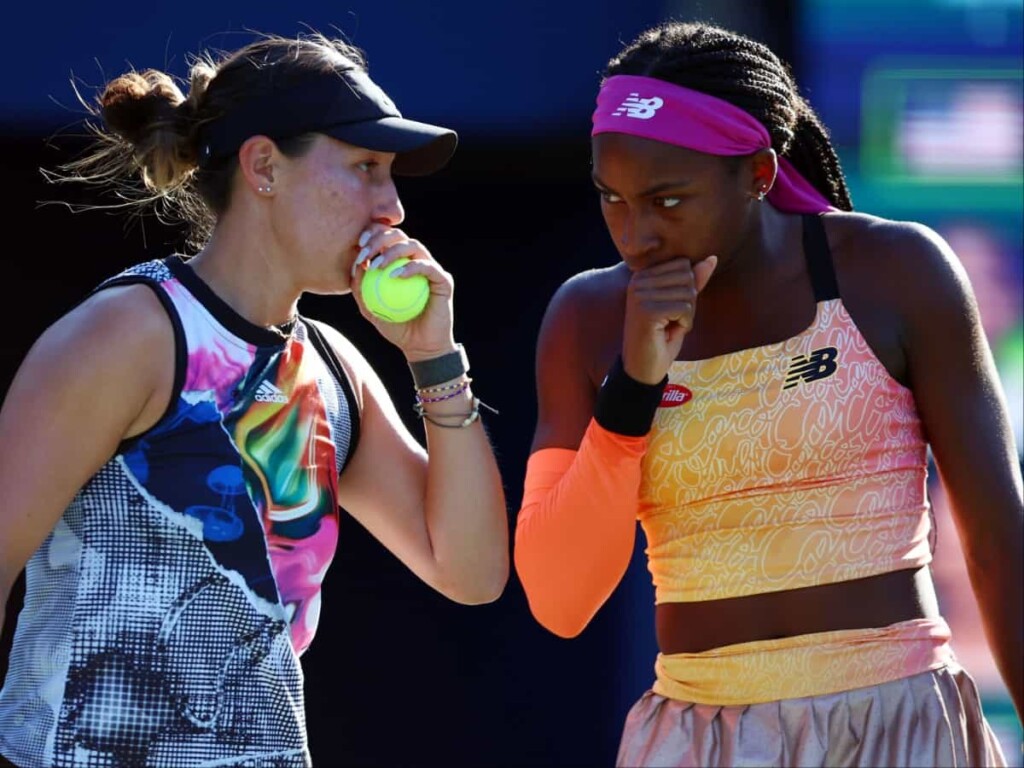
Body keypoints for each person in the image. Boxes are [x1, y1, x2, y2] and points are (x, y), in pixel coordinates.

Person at [513, 20, 1021, 768]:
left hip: (899, 723)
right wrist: (634, 386)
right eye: (612, 199)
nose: (637, 235)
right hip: (695, 738)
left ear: (756, 172)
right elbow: (560, 602)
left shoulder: (896, 270)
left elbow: (998, 544)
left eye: (668, 200)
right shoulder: (587, 319)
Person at [0, 30, 509, 768]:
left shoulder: (336, 368)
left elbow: (471, 573)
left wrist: (434, 357)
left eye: (391, 175)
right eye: (366, 168)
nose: (392, 207)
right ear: (264, 166)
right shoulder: (128, 334)